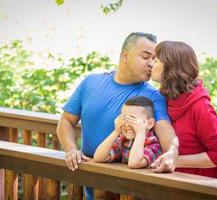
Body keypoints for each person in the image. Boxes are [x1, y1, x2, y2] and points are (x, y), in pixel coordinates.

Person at [57, 32, 179, 199]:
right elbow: (66, 120)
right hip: (90, 184)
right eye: (145, 56)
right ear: (125, 56)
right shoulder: (90, 82)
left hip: (129, 191)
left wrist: (173, 151)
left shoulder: (154, 96)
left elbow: (164, 129)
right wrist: (71, 150)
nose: (151, 63)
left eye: (154, 59)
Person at [150, 41, 217, 179]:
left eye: (156, 60)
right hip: (169, 185)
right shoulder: (163, 99)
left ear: (170, 66)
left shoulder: (201, 107)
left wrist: (174, 160)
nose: (151, 64)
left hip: (198, 189)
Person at [94, 96, 162, 168]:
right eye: (124, 118)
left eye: (133, 119)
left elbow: (134, 163)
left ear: (150, 124)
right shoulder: (124, 140)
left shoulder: (154, 144)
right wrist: (116, 131)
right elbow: (98, 157)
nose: (127, 124)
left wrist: (140, 133)